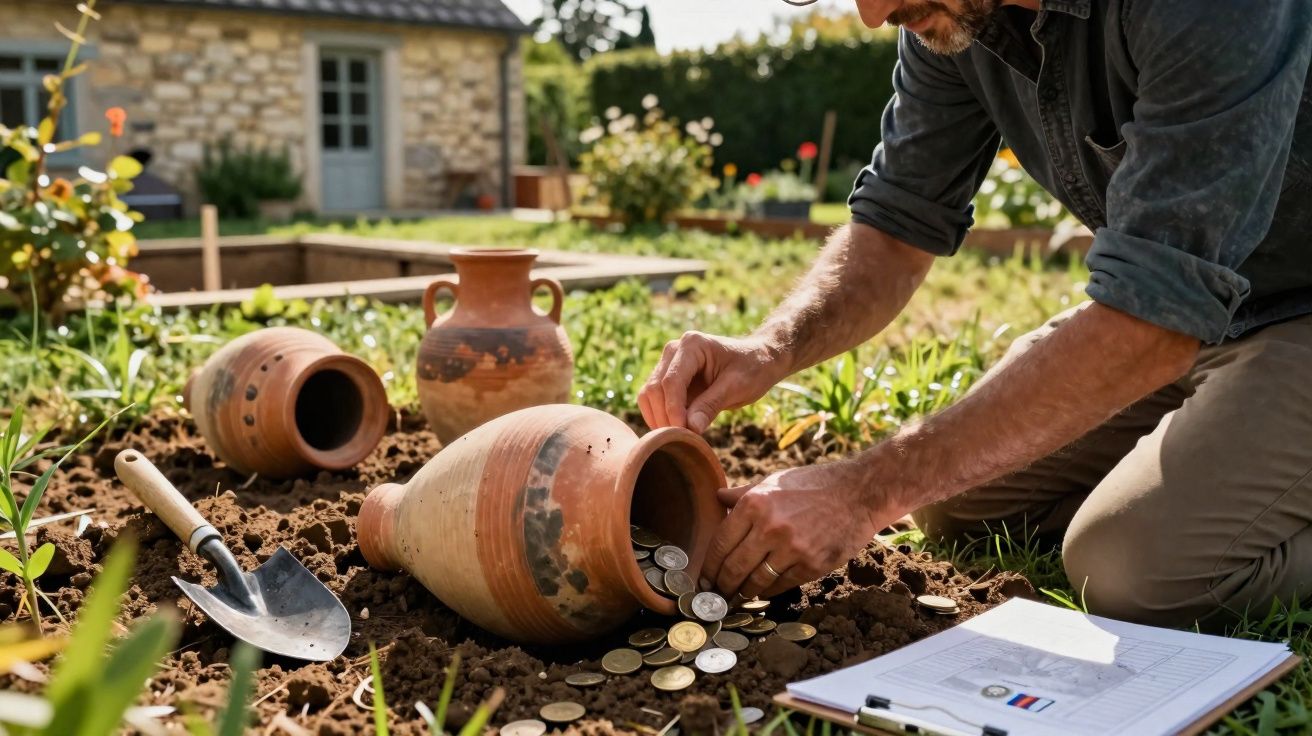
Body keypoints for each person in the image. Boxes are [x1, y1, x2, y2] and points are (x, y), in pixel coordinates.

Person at [640, 0, 1312, 630]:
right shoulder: (954, 19)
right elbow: (896, 228)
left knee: (1129, 570)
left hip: (1286, 311)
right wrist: (770, 348)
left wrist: (860, 492)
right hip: (1199, 316)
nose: (873, 15)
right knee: (958, 503)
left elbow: (1151, 320)